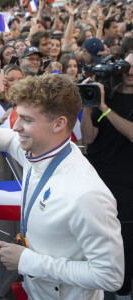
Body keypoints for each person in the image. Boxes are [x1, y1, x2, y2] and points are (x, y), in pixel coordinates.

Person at [0, 73, 124, 300]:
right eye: (18, 116)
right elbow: (9, 139)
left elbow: (111, 276)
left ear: (59, 124)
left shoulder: (87, 195)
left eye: (27, 120)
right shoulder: (37, 150)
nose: (16, 126)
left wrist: (29, 261)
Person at [81, 50, 133, 300]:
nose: (131, 72)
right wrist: (89, 106)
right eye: (128, 67)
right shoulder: (106, 94)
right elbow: (88, 138)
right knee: (100, 241)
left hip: (128, 185)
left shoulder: (108, 102)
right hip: (100, 180)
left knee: (125, 244)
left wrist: (104, 107)